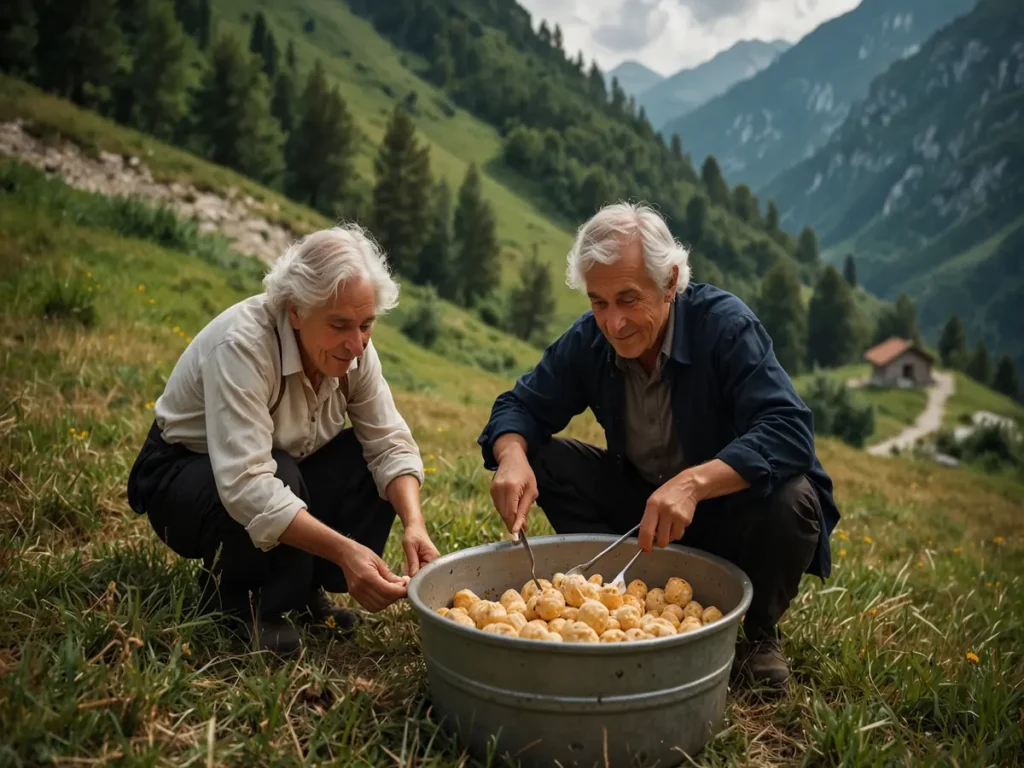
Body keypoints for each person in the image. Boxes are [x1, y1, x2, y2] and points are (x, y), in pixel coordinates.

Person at [478, 202, 839, 688]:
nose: (614, 323)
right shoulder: (591, 340)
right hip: (643, 511)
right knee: (541, 457)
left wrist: (694, 483)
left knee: (792, 499)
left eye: (629, 299)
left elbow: (789, 428)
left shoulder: (725, 327)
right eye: (599, 302)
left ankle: (757, 634)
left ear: (669, 282)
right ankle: (621, 595)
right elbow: (519, 405)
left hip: (730, 513)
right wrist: (511, 457)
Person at [127, 225, 439, 655]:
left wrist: (414, 524)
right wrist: (345, 551)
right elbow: (247, 483)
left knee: (361, 461)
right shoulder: (243, 345)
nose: (356, 344)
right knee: (280, 474)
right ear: (295, 310)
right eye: (339, 325)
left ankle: (304, 589)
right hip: (183, 477)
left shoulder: (356, 351)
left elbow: (389, 443)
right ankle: (239, 601)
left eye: (366, 325)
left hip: (281, 467)